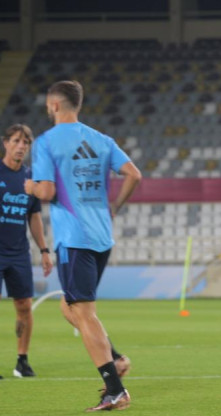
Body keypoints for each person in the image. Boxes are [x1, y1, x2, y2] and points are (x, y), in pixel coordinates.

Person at [25, 80, 141, 411]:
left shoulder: (47, 142)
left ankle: (115, 389)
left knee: (84, 312)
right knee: (68, 306)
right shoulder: (102, 140)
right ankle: (115, 358)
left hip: (74, 238)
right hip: (102, 237)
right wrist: (115, 207)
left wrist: (31, 186)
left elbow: (46, 192)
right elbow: (134, 174)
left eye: (48, 105)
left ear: (54, 105)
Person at [0, 124, 53, 380]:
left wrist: (44, 250)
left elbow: (34, 217)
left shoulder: (30, 180)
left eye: (26, 142)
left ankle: (22, 360)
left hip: (18, 253)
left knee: (24, 306)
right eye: (17, 141)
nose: (21, 146)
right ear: (5, 143)